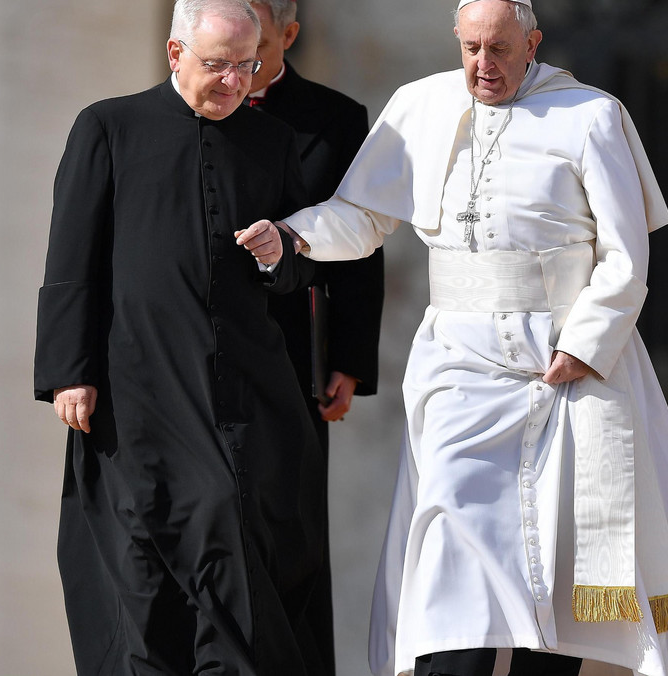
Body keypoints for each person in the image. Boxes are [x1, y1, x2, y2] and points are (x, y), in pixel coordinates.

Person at [251, 1, 668, 674]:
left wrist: (583, 343)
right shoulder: (419, 105)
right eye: (470, 49)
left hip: (563, 367)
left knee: (554, 564)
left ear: (533, 44)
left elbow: (625, 256)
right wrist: (292, 235)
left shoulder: (590, 114)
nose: (482, 66)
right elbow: (362, 217)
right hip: (458, 369)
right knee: (451, 537)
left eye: (498, 50)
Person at [33, 0, 324, 672]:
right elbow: (71, 254)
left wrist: (281, 255)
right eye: (216, 66)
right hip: (136, 384)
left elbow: (297, 272)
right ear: (174, 55)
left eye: (246, 68)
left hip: (243, 389)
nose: (232, 83)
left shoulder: (272, 142)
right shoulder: (107, 126)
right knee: (140, 569)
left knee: (241, 551)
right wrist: (68, 370)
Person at [246, 2, 385, 673]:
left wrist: (349, 361)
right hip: (189, 352)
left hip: (290, 356)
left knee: (290, 539)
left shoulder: (335, 118)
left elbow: (360, 249)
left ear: (288, 36)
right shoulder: (181, 106)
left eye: (257, 42)